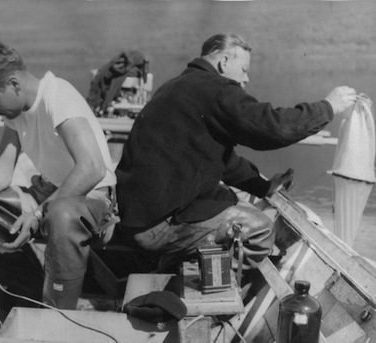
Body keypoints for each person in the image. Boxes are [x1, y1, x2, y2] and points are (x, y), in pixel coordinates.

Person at [115, 33, 357, 271]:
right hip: (157, 226)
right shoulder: (217, 89)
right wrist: (328, 107)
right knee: (261, 230)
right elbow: (272, 127)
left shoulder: (175, 86)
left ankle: (183, 262)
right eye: (243, 70)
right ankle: (199, 279)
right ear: (224, 62)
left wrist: (263, 187)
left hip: (134, 218)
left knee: (224, 199)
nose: (246, 79)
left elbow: (220, 160)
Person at [0, 40, 117, 309]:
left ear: (14, 84)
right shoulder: (16, 112)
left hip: (94, 198)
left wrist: (38, 213)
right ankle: (25, 284)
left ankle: (57, 313)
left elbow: (92, 168)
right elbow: (3, 167)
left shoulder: (57, 95)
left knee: (61, 215)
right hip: (51, 191)